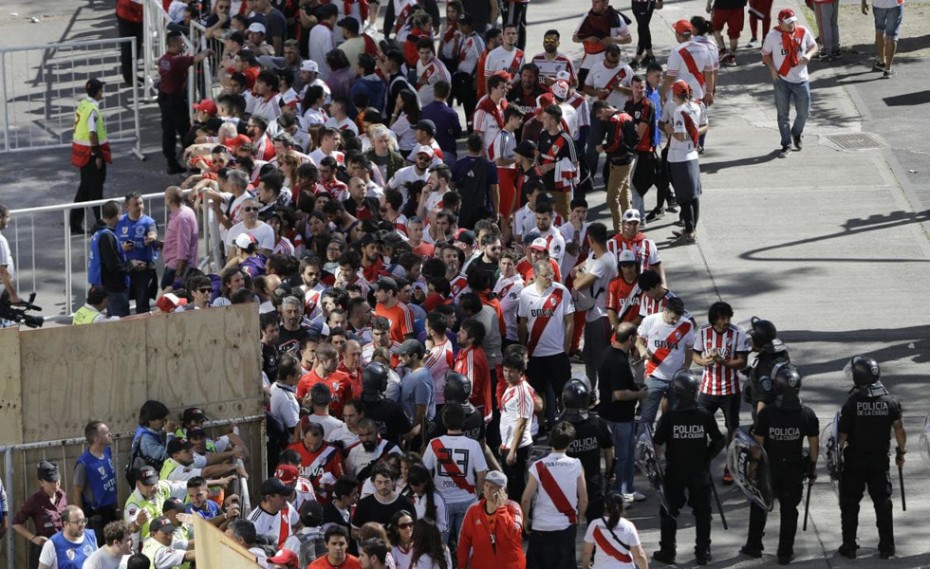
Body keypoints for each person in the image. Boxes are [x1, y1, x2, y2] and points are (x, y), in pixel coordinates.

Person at [741, 364, 819, 565]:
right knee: (789, 511)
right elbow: (814, 446)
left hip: (769, 469)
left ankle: (754, 546)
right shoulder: (808, 414)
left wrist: (752, 467)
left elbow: (757, 445)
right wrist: (811, 467)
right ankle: (785, 552)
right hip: (794, 469)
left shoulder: (767, 414)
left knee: (759, 505)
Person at [651, 370, 725, 566]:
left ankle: (668, 551)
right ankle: (703, 552)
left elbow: (656, 445)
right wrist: (707, 456)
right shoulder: (704, 415)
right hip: (699, 471)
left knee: (669, 512)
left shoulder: (668, 418)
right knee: (702, 514)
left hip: (674, 471)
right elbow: (719, 440)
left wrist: (656, 467)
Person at [837, 355, 906, 559]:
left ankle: (849, 546)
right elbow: (900, 431)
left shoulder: (852, 403)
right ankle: (887, 546)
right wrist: (901, 452)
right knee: (883, 503)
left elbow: (841, 437)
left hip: (854, 461)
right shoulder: (890, 402)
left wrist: (836, 459)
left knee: (850, 504)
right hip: (879, 460)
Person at [693, 301, 750, 485]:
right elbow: (694, 354)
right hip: (707, 389)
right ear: (714, 319)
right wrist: (703, 362)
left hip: (730, 390)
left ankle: (729, 466)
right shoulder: (703, 333)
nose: (726, 321)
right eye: (722, 318)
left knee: (732, 428)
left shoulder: (738, 334)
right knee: (699, 426)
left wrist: (723, 362)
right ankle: (701, 464)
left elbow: (742, 362)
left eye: (728, 318)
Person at [521, 421, 587, 569]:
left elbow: (526, 499)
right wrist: (580, 518)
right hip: (566, 527)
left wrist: (526, 520)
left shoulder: (538, 466)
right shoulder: (576, 464)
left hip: (541, 528)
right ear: (570, 443)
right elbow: (583, 498)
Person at [517, 260, 573, 432]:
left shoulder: (561, 291)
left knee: (563, 392)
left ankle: (566, 423)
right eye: (546, 275)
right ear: (535, 276)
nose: (550, 278)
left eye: (551, 274)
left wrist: (566, 349)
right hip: (535, 353)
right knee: (538, 393)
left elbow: (570, 321)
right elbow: (523, 322)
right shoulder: (526, 294)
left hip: (557, 353)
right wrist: (523, 347)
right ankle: (541, 426)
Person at [598, 322, 647, 503]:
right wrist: (640, 394)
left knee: (627, 455)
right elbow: (619, 394)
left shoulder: (609, 353)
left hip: (620, 416)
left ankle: (628, 489)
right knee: (620, 457)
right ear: (631, 339)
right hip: (617, 418)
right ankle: (617, 494)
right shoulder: (618, 361)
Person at [761, 9, 817, 157]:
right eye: (788, 22)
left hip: (801, 79)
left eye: (793, 21)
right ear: (780, 23)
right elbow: (765, 55)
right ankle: (786, 144)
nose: (792, 24)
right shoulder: (772, 36)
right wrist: (772, 69)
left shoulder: (802, 31)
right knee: (783, 114)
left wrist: (808, 56)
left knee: (804, 112)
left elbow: (814, 46)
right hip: (782, 80)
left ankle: (796, 133)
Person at [635, 296, 695, 429]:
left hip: (676, 379)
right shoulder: (650, 320)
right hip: (653, 375)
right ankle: (643, 446)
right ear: (666, 310)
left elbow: (690, 348)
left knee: (674, 418)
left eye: (677, 319)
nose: (675, 321)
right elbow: (638, 339)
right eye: (672, 318)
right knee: (647, 418)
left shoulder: (686, 325)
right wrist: (641, 349)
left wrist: (686, 367)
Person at [559, 378, 614, 520]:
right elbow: (609, 450)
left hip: (566, 485)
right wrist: (609, 473)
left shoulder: (560, 426)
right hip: (593, 485)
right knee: (595, 526)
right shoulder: (598, 423)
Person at [158, 31, 211, 174]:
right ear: (174, 45)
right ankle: (193, 162)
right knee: (185, 131)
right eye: (181, 43)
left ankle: (172, 163)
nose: (183, 44)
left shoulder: (164, 59)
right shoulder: (177, 60)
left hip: (164, 98)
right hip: (175, 100)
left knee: (168, 131)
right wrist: (207, 50)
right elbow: (198, 58)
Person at [664, 80, 706, 244]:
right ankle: (692, 228)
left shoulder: (679, 111)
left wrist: (669, 129)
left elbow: (680, 136)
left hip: (679, 157)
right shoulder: (697, 106)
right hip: (692, 155)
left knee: (684, 198)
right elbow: (704, 126)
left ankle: (689, 231)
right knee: (693, 195)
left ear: (676, 94)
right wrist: (692, 134)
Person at [456, 470, 525, 569]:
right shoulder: (473, 510)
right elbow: (464, 542)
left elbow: (513, 532)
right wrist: (461, 566)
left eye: (493, 487)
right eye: (487, 485)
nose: (488, 490)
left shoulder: (513, 507)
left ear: (503, 490)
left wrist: (501, 509)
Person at [70, 78, 111, 235]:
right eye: (101, 89)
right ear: (98, 92)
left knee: (85, 190)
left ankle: (74, 224)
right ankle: (100, 224)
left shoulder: (83, 104)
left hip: (82, 154)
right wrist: (97, 153)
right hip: (91, 155)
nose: (102, 92)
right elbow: (92, 133)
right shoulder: (92, 109)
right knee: (95, 191)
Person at [12, 461, 68, 569]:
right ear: (41, 482)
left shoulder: (62, 495)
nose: (55, 484)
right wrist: (33, 538)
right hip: (43, 549)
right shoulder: (35, 501)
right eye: (51, 481)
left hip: (62, 547)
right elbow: (16, 523)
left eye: (57, 480)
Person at [71, 422, 118, 546]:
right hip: (97, 516)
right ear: (97, 439)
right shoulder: (84, 463)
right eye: (107, 433)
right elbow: (76, 492)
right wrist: (81, 520)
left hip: (111, 511)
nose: (110, 434)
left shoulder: (107, 451)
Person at [580, 491, 649, 569]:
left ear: (605, 505)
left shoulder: (595, 524)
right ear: (622, 506)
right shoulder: (628, 526)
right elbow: (639, 555)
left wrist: (586, 566)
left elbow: (586, 552)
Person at [115, 192, 158, 314]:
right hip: (124, 269)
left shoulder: (148, 222)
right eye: (136, 204)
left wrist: (151, 238)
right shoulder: (119, 222)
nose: (140, 207)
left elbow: (152, 232)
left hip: (142, 270)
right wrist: (121, 248)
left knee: (143, 307)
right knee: (122, 307)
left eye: (141, 203)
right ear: (127, 206)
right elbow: (110, 242)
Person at [573, 0, 632, 87]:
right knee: (581, 90)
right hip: (588, 63)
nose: (593, 4)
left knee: (607, 93)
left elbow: (628, 39)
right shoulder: (587, 17)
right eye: (593, 2)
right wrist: (587, 38)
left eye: (597, 2)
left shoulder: (616, 18)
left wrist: (612, 39)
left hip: (608, 64)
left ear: (605, 3)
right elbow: (574, 38)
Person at [88, 201, 132, 318]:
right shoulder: (106, 235)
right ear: (117, 214)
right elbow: (113, 264)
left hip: (103, 283)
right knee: (119, 319)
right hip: (113, 286)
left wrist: (119, 249)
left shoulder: (98, 232)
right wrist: (131, 265)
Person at [352, 464, 415, 530]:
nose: (383, 486)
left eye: (386, 482)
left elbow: (414, 528)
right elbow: (354, 531)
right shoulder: (364, 504)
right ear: (373, 483)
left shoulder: (406, 503)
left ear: (393, 481)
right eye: (379, 482)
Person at [37, 505, 97, 569]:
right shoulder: (52, 544)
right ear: (65, 524)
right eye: (77, 522)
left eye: (84, 520)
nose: (82, 524)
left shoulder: (90, 535)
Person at [161, 186, 199, 289]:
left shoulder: (182, 217)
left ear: (169, 200)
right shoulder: (184, 213)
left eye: (165, 196)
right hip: (176, 266)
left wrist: (178, 274)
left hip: (177, 268)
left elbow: (183, 246)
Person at [248, 478, 299, 549]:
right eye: (281, 496)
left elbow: (298, 524)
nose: (286, 498)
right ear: (268, 498)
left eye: (286, 494)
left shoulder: (287, 507)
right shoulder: (254, 522)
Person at [862, 0, 903, 78]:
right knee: (892, 35)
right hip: (895, 3)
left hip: (878, 4)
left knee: (879, 31)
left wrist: (863, 2)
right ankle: (888, 69)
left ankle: (882, 62)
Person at [0, 202, 18, 307]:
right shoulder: (1, 241)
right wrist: (13, 295)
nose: (9, 220)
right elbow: (3, 271)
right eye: (7, 217)